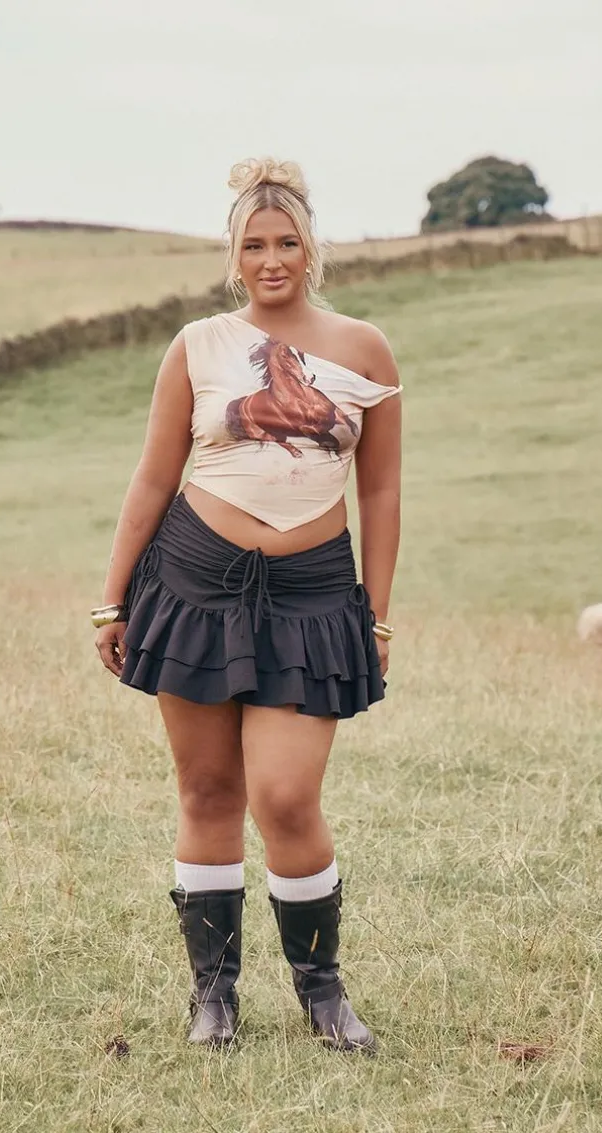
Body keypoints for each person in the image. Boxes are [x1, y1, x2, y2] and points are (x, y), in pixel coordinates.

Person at [93, 157, 402, 1054]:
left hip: (313, 593)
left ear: (312, 249)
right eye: (255, 245)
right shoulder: (197, 344)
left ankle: (323, 992)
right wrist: (111, 600)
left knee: (287, 795)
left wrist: (377, 613)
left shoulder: (365, 348)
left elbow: (381, 491)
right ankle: (215, 995)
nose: (272, 260)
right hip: (194, 581)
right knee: (208, 788)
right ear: (233, 255)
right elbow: (154, 475)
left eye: (287, 243)